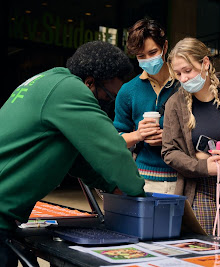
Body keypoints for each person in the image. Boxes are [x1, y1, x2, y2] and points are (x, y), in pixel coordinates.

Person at [0, 41, 145, 266]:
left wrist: (112, 188)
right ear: (89, 82)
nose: (108, 104)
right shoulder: (69, 90)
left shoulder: (50, 81)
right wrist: (138, 195)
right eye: (108, 97)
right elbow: (111, 150)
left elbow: (76, 160)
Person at [161, 37, 220, 235]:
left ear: (205, 63)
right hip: (200, 185)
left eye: (188, 70)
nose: (183, 79)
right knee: (203, 246)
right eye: (178, 73)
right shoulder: (175, 103)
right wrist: (202, 165)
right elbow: (169, 152)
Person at [113, 18, 178, 194]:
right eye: (141, 56)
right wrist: (138, 135)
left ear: (165, 47)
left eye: (152, 52)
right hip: (144, 179)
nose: (148, 60)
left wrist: (170, 138)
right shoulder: (127, 91)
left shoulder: (184, 84)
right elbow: (115, 141)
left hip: (183, 179)